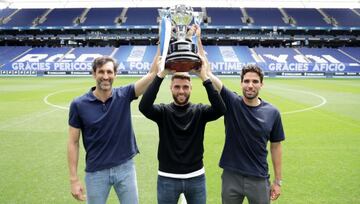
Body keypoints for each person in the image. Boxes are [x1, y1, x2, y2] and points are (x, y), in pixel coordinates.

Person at [67, 53, 159, 204]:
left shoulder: (124, 95)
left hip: (125, 169)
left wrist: (161, 44)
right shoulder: (78, 104)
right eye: (101, 71)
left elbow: (152, 74)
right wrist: (73, 179)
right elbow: (73, 142)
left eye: (109, 72)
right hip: (96, 172)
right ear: (94, 74)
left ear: (115, 74)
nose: (105, 76)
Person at [138, 56, 226, 204]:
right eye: (177, 87)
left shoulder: (199, 111)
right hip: (167, 177)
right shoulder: (163, 112)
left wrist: (204, 78)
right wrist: (161, 75)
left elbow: (220, 109)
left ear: (191, 88)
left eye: (185, 87)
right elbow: (144, 107)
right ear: (171, 88)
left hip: (196, 177)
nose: (181, 91)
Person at [206, 64, 285, 204]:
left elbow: (276, 147)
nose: (250, 85)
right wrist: (198, 42)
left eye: (255, 81)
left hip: (259, 178)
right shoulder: (232, 103)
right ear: (241, 83)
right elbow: (212, 79)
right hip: (231, 176)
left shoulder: (273, 112)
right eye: (246, 81)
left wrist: (278, 182)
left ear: (262, 84)